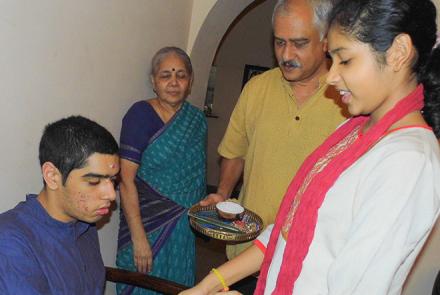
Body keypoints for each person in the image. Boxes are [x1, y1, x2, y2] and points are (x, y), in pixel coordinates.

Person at [182, 0, 440, 293]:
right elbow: (285, 232)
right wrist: (207, 285)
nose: (331, 77)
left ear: (398, 53)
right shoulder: (351, 131)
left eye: (345, 60)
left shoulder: (408, 160)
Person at [201, 0, 347, 266]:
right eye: (279, 42)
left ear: (326, 41)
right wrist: (222, 193)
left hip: (306, 262)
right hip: (244, 251)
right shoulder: (257, 88)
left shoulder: (349, 97)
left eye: (299, 43)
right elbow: (235, 151)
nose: (286, 54)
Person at [116, 46, 207, 294]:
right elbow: (125, 180)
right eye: (166, 75)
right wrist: (138, 237)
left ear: (190, 81)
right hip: (146, 224)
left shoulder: (196, 120)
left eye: (181, 75)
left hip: (182, 228)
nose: (174, 82)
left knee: (177, 285)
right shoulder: (140, 115)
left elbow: (195, 177)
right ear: (153, 81)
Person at [0, 116, 120, 294]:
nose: (111, 195)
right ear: (52, 176)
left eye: (113, 180)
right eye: (94, 181)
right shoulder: (10, 242)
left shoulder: (84, 221)